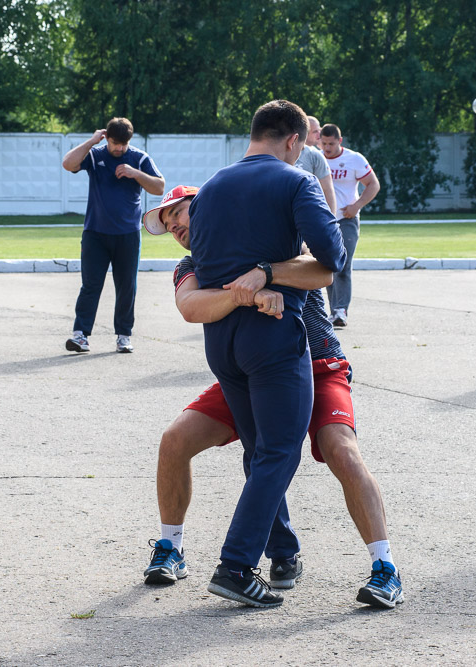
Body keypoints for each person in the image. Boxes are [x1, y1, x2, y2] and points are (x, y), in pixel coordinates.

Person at [140, 186, 401, 609]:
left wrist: (265, 273)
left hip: (317, 364)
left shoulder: (269, 242)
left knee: (341, 451)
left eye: (180, 214)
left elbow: (319, 269)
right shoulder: (191, 265)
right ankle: (172, 548)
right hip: (251, 376)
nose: (175, 228)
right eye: (168, 226)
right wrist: (244, 293)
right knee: (176, 440)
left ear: (208, 208)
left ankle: (385, 568)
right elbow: (190, 306)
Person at [187, 100, 347, 608]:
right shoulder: (296, 181)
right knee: (280, 450)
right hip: (272, 333)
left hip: (220, 339)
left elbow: (202, 264)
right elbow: (333, 257)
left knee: (259, 451)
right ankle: (235, 565)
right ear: (295, 141)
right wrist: (274, 270)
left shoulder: (210, 188)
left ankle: (282, 552)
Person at [61, 117, 165, 354]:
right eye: (115, 143)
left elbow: (159, 187)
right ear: (107, 138)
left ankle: (123, 336)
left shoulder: (139, 159)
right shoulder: (95, 155)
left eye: (123, 144)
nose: (119, 148)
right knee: (90, 285)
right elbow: (68, 164)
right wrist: (91, 141)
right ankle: (80, 336)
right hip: (95, 234)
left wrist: (135, 173)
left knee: (127, 286)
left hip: (128, 235)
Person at [319, 123, 380, 328]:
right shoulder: (317, 159)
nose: (327, 148)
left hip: (346, 219)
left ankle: (341, 310)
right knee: (329, 265)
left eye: (331, 144)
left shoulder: (354, 159)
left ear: (340, 141)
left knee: (343, 263)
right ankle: (333, 311)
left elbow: (373, 184)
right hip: (324, 220)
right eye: (324, 143)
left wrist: (357, 205)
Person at [294, 116, 338, 214]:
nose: (320, 134)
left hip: (308, 213)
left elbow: (327, 191)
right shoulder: (281, 152)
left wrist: (331, 218)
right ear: (304, 132)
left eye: (320, 130)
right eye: (315, 131)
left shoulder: (315, 155)